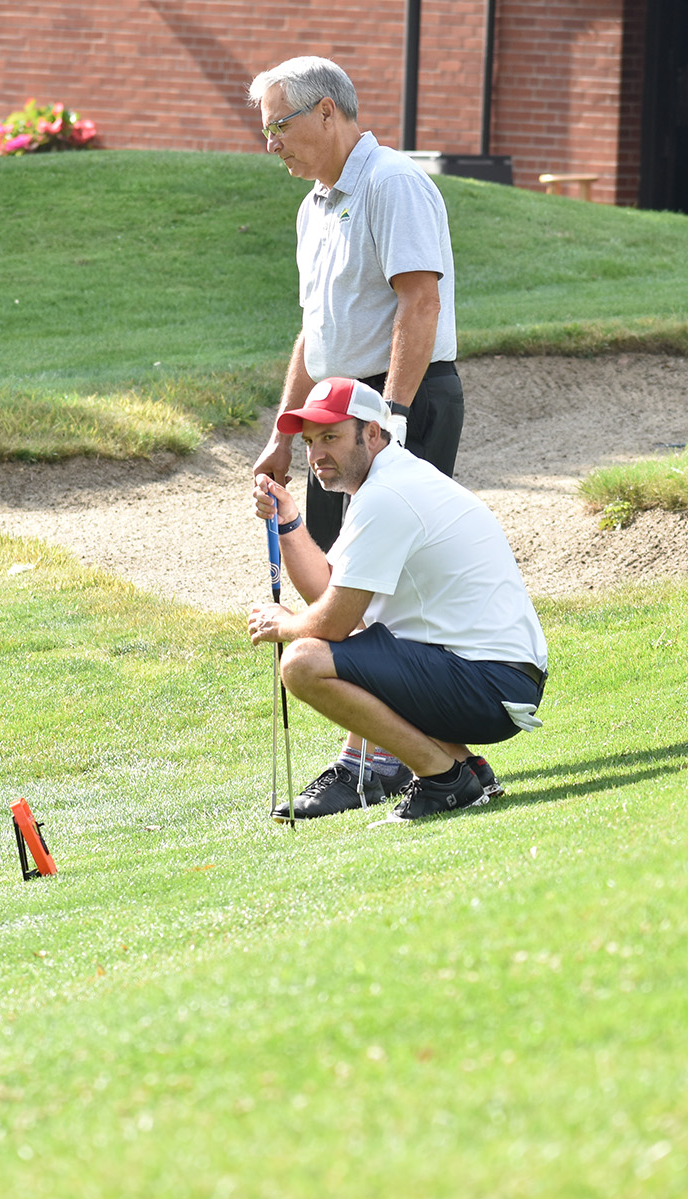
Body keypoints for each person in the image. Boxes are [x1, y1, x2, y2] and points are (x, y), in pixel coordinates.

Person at [247, 53, 467, 805]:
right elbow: (316, 332)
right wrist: (285, 434)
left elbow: (419, 303)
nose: (271, 142)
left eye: (279, 125)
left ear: (327, 112)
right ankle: (377, 751)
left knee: (380, 579)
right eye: (265, 130)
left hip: (394, 404)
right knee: (344, 571)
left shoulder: (393, 183)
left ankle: (373, 758)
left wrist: (388, 421)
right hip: (336, 410)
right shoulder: (313, 206)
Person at [248, 377, 548, 822]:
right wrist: (289, 520)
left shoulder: (386, 495)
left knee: (302, 662)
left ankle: (443, 781)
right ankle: (466, 767)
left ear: (371, 433)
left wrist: (283, 624)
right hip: (494, 678)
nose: (315, 456)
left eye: (330, 437)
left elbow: (333, 624)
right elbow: (331, 589)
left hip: (489, 684)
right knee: (348, 648)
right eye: (309, 442)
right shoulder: (389, 482)